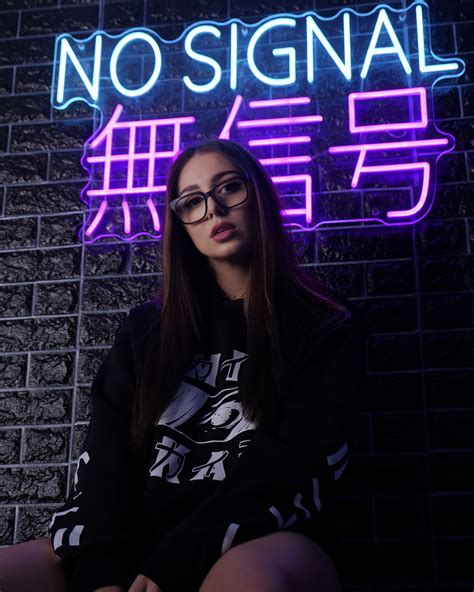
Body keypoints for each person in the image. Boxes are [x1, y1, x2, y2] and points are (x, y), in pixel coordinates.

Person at [3, 138, 369, 592]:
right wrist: (101, 571)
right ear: (181, 224)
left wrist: (174, 562)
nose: (214, 209)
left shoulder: (325, 324)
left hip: (260, 540)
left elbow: (291, 463)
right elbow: (106, 459)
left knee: (249, 579)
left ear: (258, 193)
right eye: (192, 202)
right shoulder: (146, 330)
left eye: (229, 187)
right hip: (136, 544)